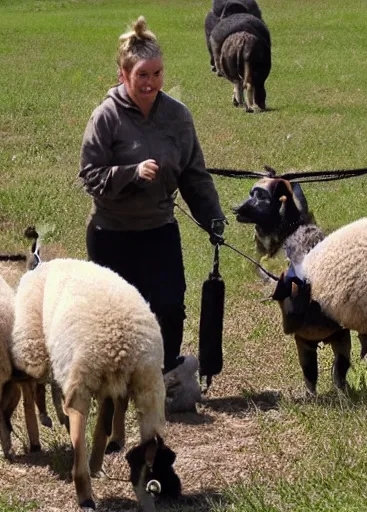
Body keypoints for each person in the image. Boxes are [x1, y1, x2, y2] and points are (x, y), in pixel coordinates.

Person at [79, 16, 226, 401]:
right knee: (116, 317)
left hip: (159, 228)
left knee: (168, 305)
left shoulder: (177, 117)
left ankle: (163, 380)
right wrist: (130, 173)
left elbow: (194, 173)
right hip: (111, 234)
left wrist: (212, 214)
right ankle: (113, 389)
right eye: (143, 74)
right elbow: (91, 176)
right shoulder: (105, 118)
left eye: (158, 73)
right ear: (123, 74)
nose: (151, 83)